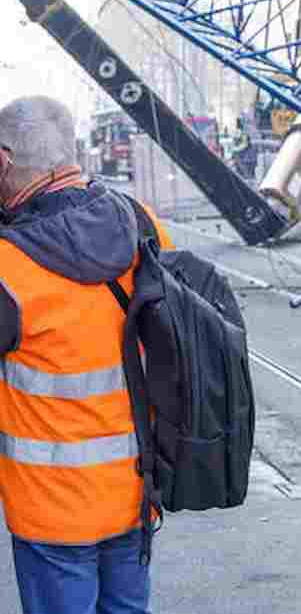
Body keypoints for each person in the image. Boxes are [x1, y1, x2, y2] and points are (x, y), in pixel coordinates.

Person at [0, 96, 171, 614]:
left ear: (4, 162)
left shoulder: (8, 265)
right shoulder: (143, 226)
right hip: (137, 493)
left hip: (52, 512)